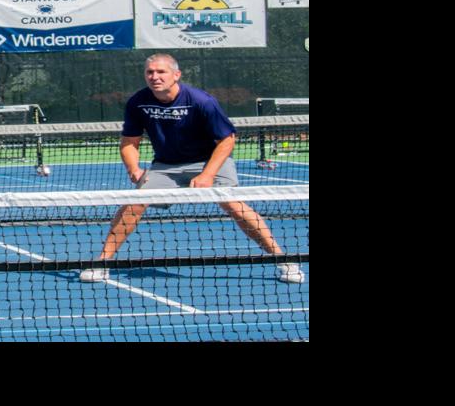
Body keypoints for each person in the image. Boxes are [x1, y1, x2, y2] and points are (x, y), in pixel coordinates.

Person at [78, 54, 304, 284]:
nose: (155, 77)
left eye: (161, 72)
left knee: (233, 204)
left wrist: (207, 174)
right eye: (150, 72)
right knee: (133, 203)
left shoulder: (201, 101)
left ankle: (283, 260)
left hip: (209, 160)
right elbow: (129, 141)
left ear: (176, 75)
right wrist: (133, 168)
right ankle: (102, 262)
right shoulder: (138, 102)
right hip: (167, 165)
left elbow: (227, 140)